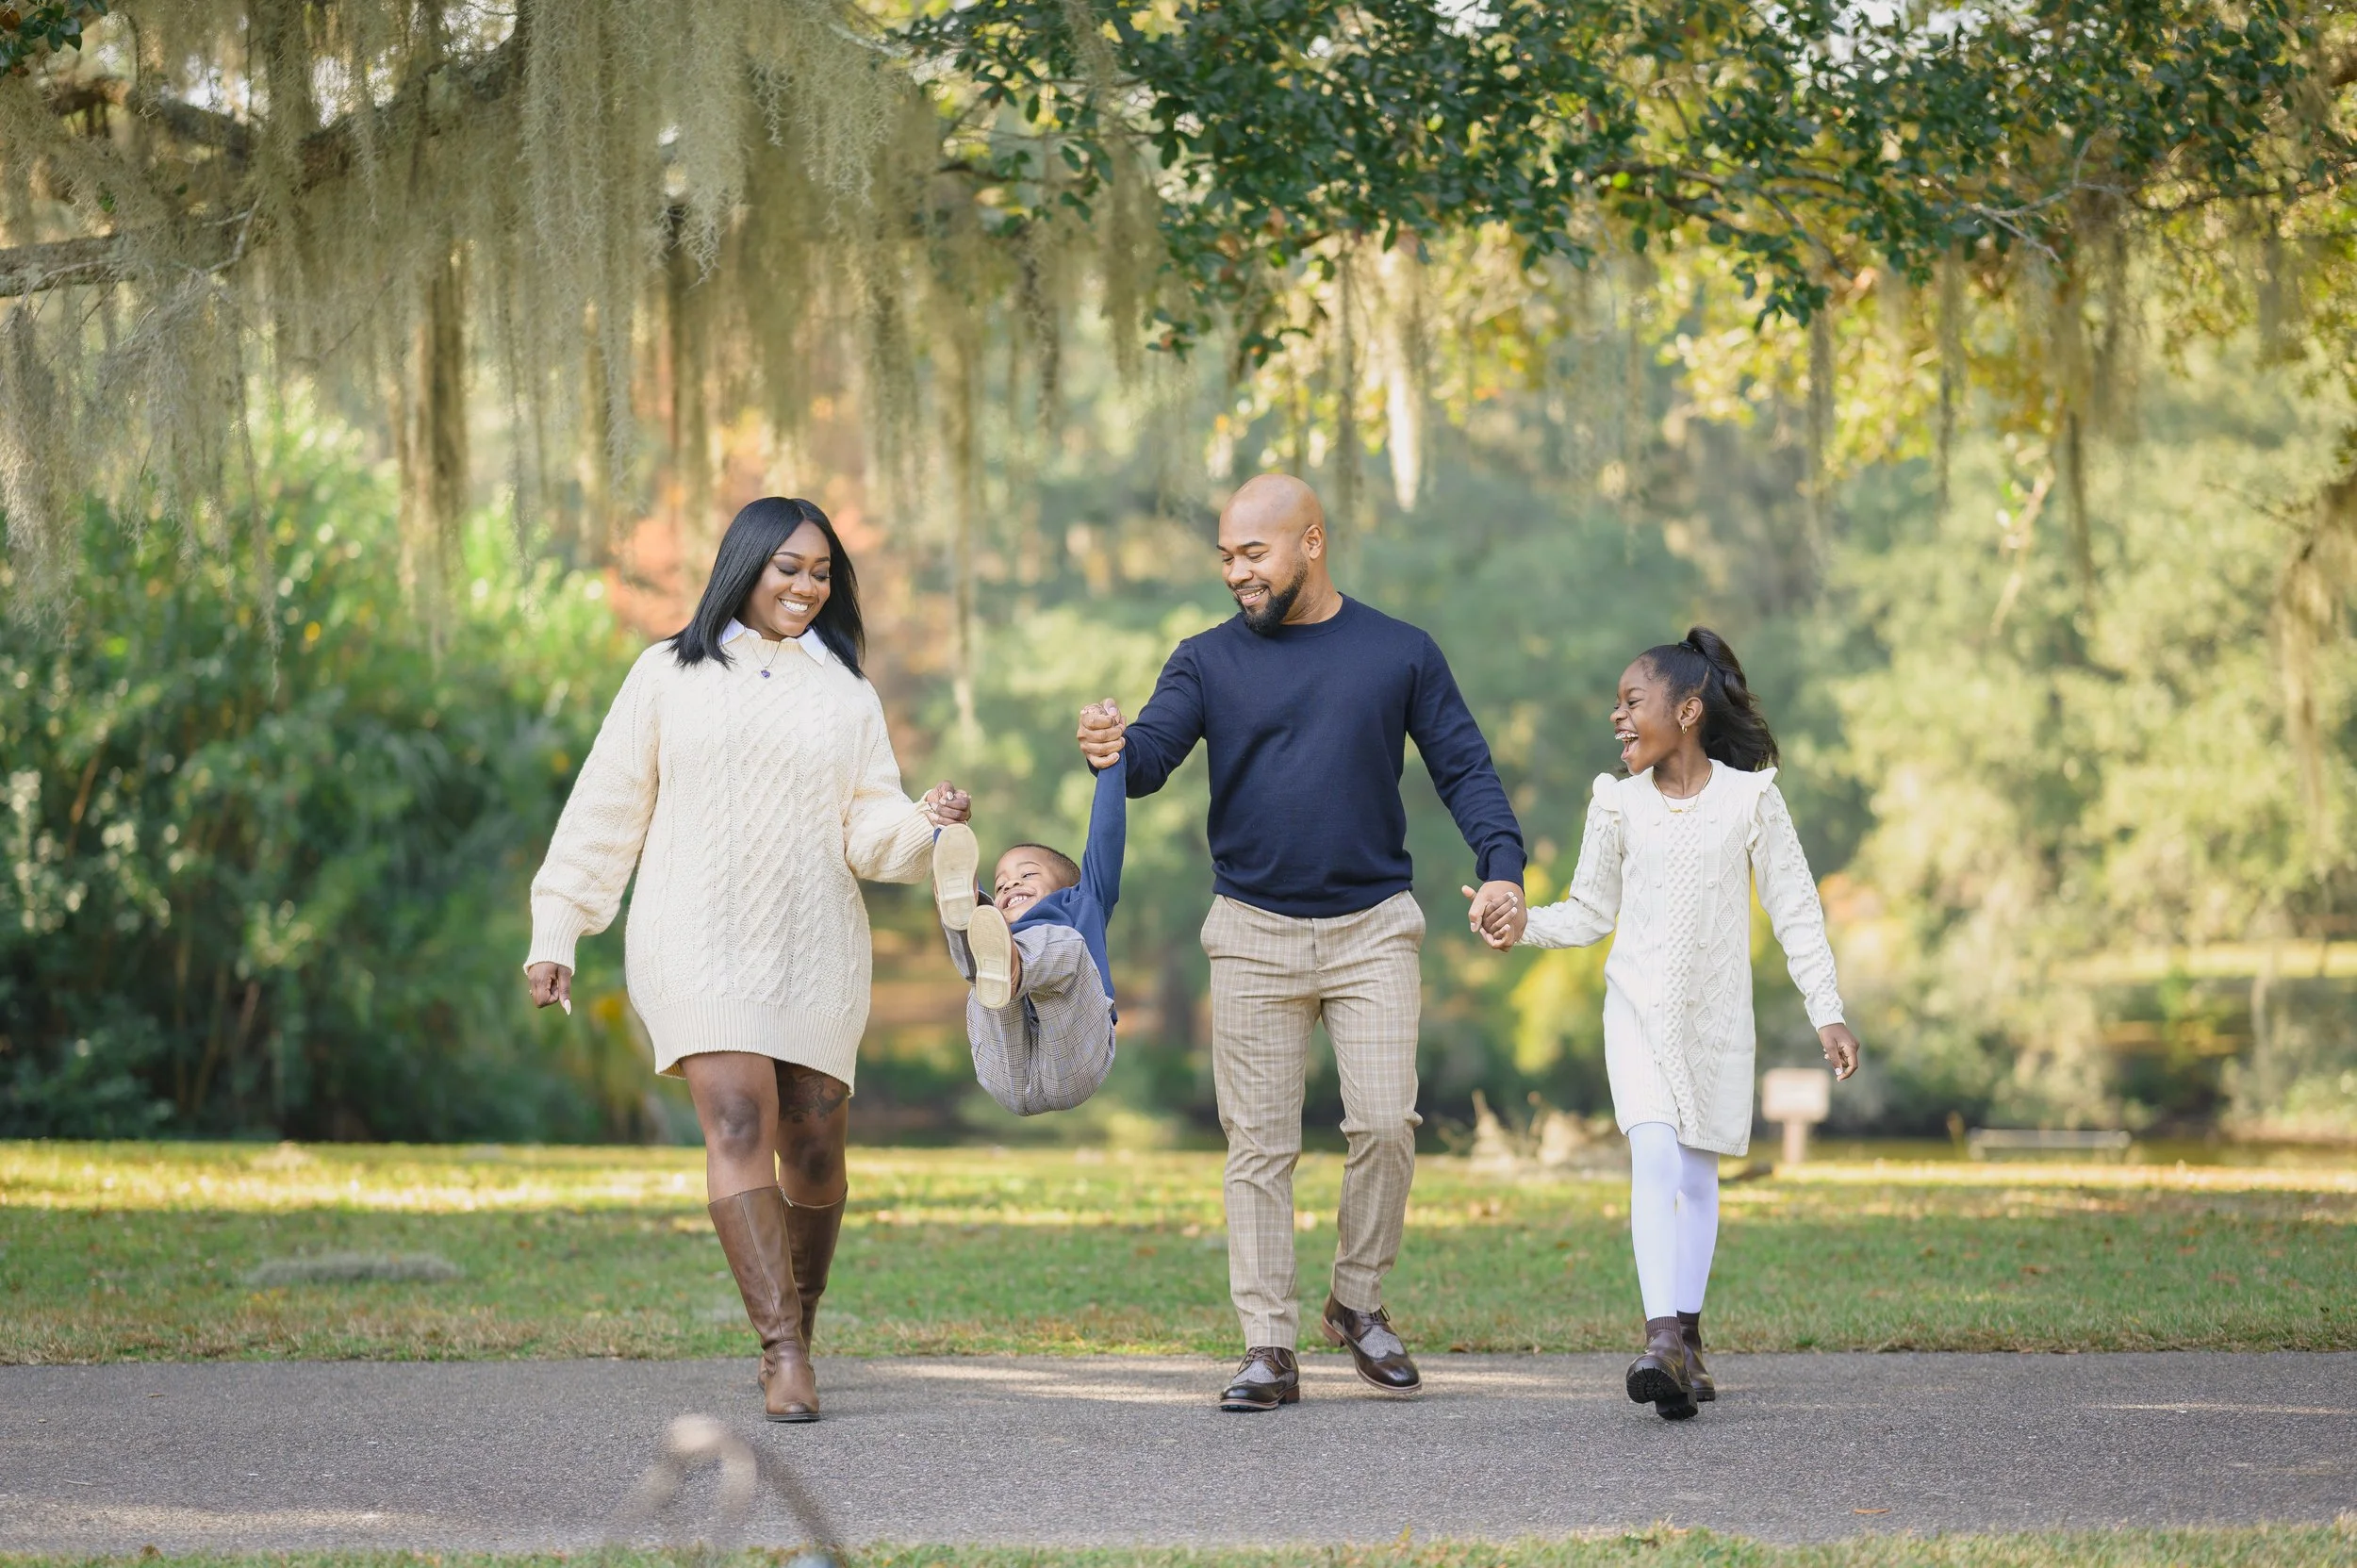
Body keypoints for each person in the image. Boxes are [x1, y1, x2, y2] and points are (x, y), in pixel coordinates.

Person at [1079, 473, 1528, 1412]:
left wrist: (1502, 866)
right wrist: (1114, 746)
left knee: (1381, 1123)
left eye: (1253, 553)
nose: (1236, 572)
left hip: (1373, 928)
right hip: (1251, 932)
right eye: (1226, 556)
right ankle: (1267, 1345)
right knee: (1259, 1145)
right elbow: (1154, 756)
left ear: (1310, 542)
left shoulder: (1397, 652)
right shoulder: (1205, 661)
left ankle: (1355, 1302)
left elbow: (1465, 769)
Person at [521, 496, 969, 1424]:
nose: (806, 586)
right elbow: (609, 806)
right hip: (692, 933)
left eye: (820, 573)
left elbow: (869, 832)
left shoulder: (844, 692)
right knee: (734, 1119)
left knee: (811, 1149)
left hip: (813, 945)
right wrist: (559, 924)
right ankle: (781, 1353)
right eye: (788, 567)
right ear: (745, 564)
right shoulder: (667, 674)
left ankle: (798, 1323)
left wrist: (922, 823)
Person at [1472, 627, 1860, 1420]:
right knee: (1653, 1154)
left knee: (1696, 1174)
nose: (1617, 717)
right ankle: (1660, 1341)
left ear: (1688, 710)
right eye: (1615, 704)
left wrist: (1828, 1012)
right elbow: (1589, 911)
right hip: (1638, 1014)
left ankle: (1686, 1337)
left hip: (1715, 1022)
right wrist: (1522, 923)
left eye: (1632, 701)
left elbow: (1795, 909)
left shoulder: (1751, 799)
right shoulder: (1615, 802)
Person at [929, 713, 1127, 1115]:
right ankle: (960, 895)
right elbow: (988, 920)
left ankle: (1009, 961)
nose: (1009, 887)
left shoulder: (1082, 901)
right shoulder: (996, 920)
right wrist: (947, 830)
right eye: (1000, 885)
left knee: (1065, 946)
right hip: (1008, 1074)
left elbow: (1106, 834)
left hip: (1074, 1061)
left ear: (1067, 887)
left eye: (1026, 875)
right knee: (979, 938)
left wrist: (1111, 765)